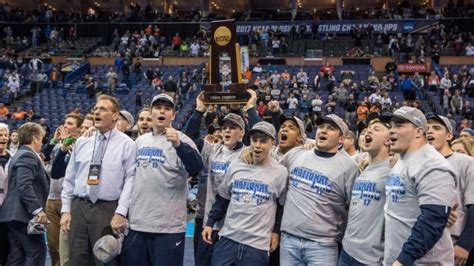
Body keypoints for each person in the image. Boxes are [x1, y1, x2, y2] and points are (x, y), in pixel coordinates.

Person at [122, 93, 203, 266]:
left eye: (167, 109)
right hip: (138, 224)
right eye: (158, 108)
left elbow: (196, 168)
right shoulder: (140, 142)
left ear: (173, 115)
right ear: (151, 113)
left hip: (168, 228)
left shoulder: (183, 140)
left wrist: (179, 146)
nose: (162, 112)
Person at [60, 95, 136, 266]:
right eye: (96, 109)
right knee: (76, 260)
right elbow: (69, 178)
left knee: (106, 261)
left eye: (103, 109)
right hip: (79, 208)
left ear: (115, 115)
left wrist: (121, 212)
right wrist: (66, 210)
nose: (97, 112)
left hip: (107, 209)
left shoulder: (127, 145)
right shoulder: (82, 142)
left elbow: (130, 181)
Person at [202, 122, 287, 266]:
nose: (258, 145)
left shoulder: (280, 172)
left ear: (273, 143)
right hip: (228, 239)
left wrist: (276, 232)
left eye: (263, 141)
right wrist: (210, 222)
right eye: (254, 140)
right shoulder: (236, 166)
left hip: (257, 245)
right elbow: (222, 199)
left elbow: (281, 207)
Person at [279, 114, 359, 265]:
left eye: (330, 128)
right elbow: (271, 173)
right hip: (289, 240)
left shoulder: (350, 168)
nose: (323, 131)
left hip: (323, 246)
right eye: (321, 127)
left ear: (341, 139)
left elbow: (354, 209)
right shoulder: (296, 154)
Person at [383, 107, 456, 265]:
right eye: (391, 126)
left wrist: (403, 260)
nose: (391, 131)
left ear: (418, 131)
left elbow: (432, 221)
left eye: (399, 125)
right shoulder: (402, 160)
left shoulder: (431, 164)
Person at [185, 93, 248, 266]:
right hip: (210, 224)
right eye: (225, 127)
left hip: (237, 226)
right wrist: (199, 111)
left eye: (233, 127)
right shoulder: (214, 150)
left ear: (242, 133)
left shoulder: (248, 154)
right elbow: (190, 138)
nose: (227, 130)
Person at [339, 117, 391, 265]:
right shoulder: (362, 166)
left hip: (372, 258)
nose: (369, 130)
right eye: (368, 129)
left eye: (376, 129)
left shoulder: (394, 170)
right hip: (347, 250)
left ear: (388, 140)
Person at [426, 113, 474, 265]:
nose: (429, 131)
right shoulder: (419, 164)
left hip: (452, 243)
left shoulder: (466, 162)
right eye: (426, 128)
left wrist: (465, 244)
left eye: (436, 128)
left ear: (449, 135)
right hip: (422, 242)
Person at [0, 122, 49, 265]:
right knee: (37, 251)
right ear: (34, 138)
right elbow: (24, 185)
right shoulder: (27, 155)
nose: (41, 143)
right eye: (41, 139)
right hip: (23, 215)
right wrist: (38, 210)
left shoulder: (18, 154)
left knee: (17, 255)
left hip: (15, 214)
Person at [43, 114, 83, 266]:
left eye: (70, 123)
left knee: (65, 246)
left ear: (78, 129)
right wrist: (54, 141)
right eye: (65, 122)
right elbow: (44, 157)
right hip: (52, 198)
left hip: (69, 201)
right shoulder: (58, 144)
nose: (65, 126)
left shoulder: (81, 145)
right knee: (53, 247)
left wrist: (67, 147)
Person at [0, 123, 11, 265]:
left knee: (6, 242)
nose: (3, 138)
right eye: (0, 135)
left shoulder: (13, 157)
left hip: (8, 205)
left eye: (5, 135)